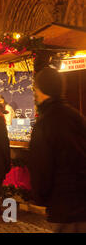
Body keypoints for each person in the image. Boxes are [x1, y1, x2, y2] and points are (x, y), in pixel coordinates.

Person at [29, 67, 86, 233]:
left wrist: (40, 197)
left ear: (42, 90)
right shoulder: (77, 117)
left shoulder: (45, 123)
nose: (35, 93)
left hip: (64, 206)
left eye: (36, 88)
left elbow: (41, 167)